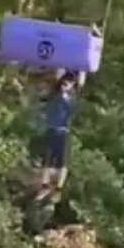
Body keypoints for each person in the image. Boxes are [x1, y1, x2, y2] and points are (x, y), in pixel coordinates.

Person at [36, 69, 85, 200]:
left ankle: (58, 188)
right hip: (52, 130)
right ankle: (45, 185)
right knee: (47, 159)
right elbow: (57, 76)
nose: (65, 84)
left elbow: (80, 83)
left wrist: (82, 70)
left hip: (63, 132)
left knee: (63, 162)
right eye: (64, 82)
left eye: (68, 83)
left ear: (72, 85)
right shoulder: (54, 95)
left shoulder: (72, 99)